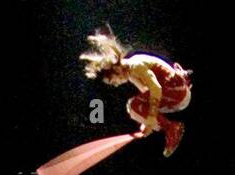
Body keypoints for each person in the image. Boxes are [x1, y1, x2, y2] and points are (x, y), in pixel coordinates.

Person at [80, 26, 192, 158]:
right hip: (174, 97)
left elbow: (156, 89)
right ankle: (169, 128)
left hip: (177, 93)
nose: (115, 85)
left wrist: (150, 118)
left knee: (133, 106)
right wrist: (147, 121)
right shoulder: (130, 73)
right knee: (134, 108)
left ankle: (171, 128)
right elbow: (146, 94)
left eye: (112, 81)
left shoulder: (136, 66)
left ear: (116, 70)